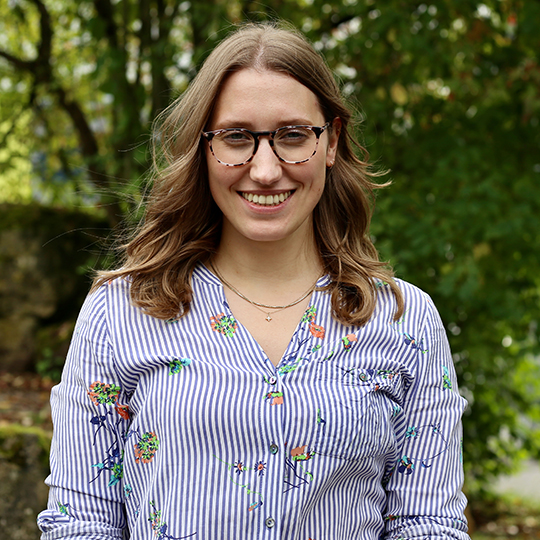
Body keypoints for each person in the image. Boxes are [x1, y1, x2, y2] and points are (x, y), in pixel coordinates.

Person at [38, 21, 470, 540]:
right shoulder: (120, 312)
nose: (265, 170)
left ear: (331, 140)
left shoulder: (405, 322)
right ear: (203, 146)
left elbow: (429, 525)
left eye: (293, 136)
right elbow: (79, 523)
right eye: (237, 137)